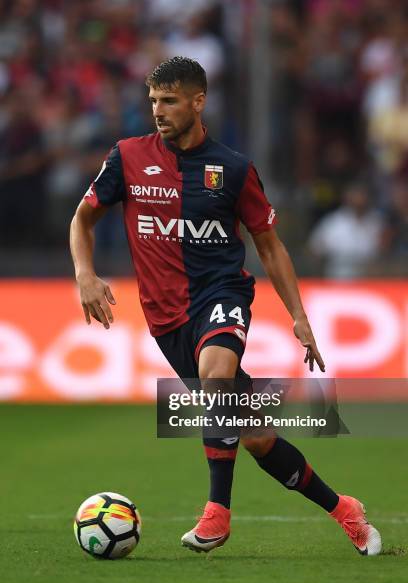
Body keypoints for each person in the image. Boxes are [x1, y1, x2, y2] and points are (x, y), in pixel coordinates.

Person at [70, 57, 381, 556]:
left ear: (198, 102)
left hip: (222, 295)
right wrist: (84, 274)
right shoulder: (127, 156)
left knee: (216, 377)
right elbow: (83, 219)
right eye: (153, 101)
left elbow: (270, 245)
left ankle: (217, 514)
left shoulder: (233, 169)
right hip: (166, 319)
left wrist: (299, 316)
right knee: (256, 436)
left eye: (169, 101)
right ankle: (345, 509)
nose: (158, 111)